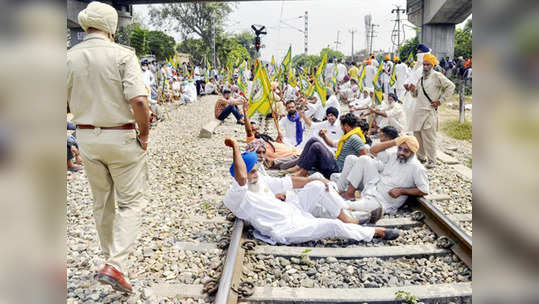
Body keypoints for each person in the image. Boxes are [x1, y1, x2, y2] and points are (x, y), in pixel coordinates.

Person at [67, 1, 151, 293]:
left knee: (101, 202)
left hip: (87, 138)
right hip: (122, 136)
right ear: (111, 28)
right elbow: (139, 101)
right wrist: (144, 135)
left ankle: (108, 259)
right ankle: (116, 264)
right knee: (131, 202)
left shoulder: (69, 57)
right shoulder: (123, 56)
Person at [223, 138, 400, 245]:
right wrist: (235, 148)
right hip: (287, 228)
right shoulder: (236, 195)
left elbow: (288, 181)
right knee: (332, 226)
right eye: (252, 171)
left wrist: (315, 179)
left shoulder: (260, 179)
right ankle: (375, 232)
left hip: (294, 210)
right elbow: (241, 176)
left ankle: (349, 217)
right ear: (242, 175)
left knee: (317, 185)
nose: (256, 173)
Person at [333, 136, 429, 217]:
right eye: (400, 148)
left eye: (406, 151)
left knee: (347, 206)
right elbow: (373, 150)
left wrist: (401, 191)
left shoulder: (417, 168)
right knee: (363, 159)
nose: (401, 153)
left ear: (413, 152)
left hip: (383, 201)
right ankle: (348, 193)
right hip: (373, 188)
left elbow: (424, 190)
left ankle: (336, 202)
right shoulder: (394, 156)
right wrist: (395, 142)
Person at [286, 113, 367, 178]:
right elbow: (332, 144)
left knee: (316, 146)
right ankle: (298, 166)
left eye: (342, 125)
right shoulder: (347, 136)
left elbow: (364, 157)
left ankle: (303, 173)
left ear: (346, 126)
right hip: (335, 162)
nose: (341, 127)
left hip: (337, 168)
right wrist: (324, 136)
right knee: (313, 140)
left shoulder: (354, 138)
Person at [410, 53, 455, 168]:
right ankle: (421, 157)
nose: (425, 67)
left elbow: (451, 87)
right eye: (424, 65)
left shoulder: (437, 76)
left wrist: (440, 100)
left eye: (428, 65)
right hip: (418, 112)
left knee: (429, 137)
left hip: (429, 112)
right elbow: (416, 95)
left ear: (433, 65)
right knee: (417, 135)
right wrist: (411, 90)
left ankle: (432, 160)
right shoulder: (421, 79)